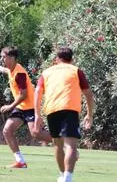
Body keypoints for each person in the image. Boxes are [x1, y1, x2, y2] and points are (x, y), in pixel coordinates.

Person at [33, 47, 95, 182]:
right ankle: (67, 177)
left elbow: (37, 92)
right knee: (71, 146)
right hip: (69, 109)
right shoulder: (76, 70)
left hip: (52, 110)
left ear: (56, 59)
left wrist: (37, 115)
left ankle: (63, 175)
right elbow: (88, 94)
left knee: (58, 145)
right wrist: (89, 115)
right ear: (71, 59)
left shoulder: (47, 72)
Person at [0, 46, 52, 168]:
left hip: (29, 106)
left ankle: (64, 141)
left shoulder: (19, 73)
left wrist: (10, 106)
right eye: (1, 57)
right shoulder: (10, 68)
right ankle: (20, 161)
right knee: (7, 130)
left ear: (12, 58)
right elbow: (6, 70)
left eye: (4, 57)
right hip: (21, 107)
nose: (2, 59)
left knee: (36, 134)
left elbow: (23, 95)